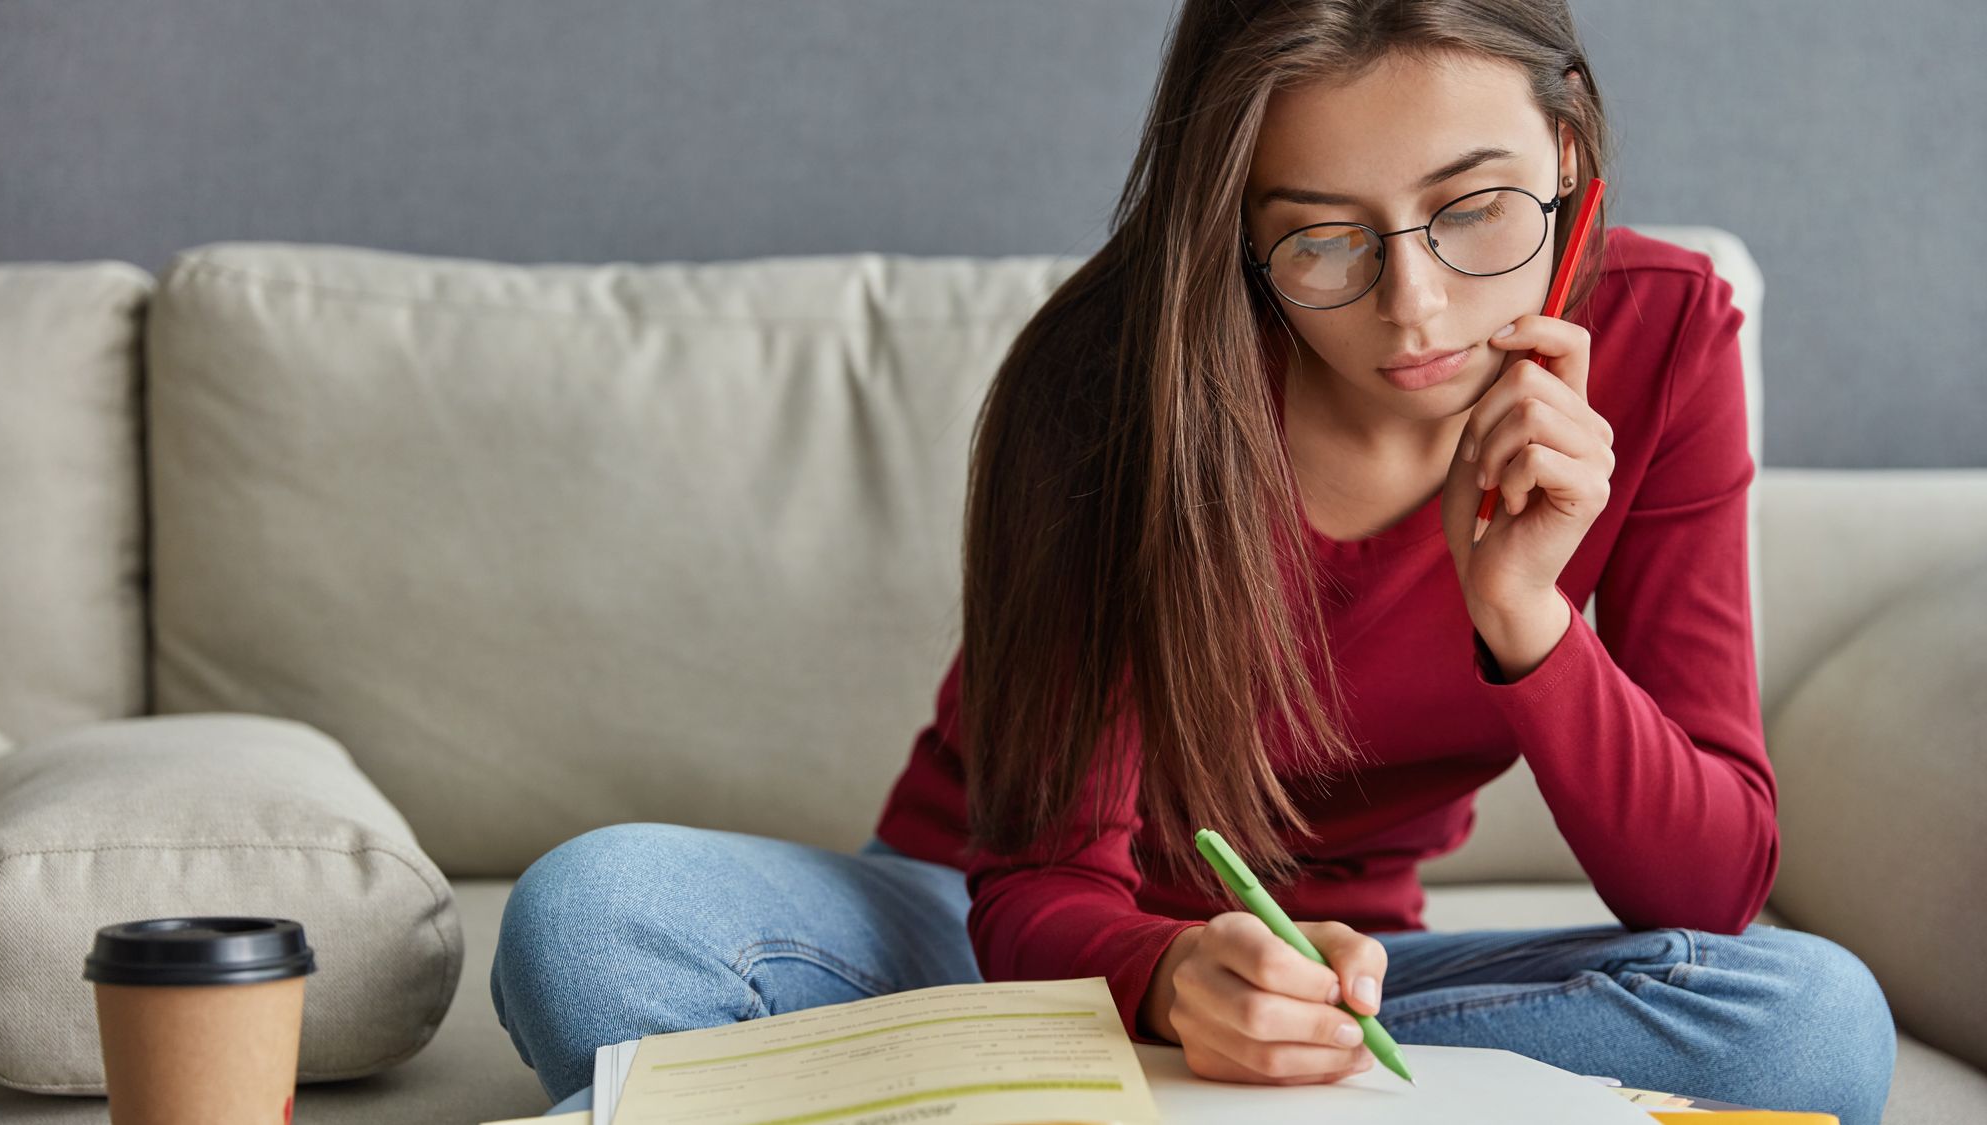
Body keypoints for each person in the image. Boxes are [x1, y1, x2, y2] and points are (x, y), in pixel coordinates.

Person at [491, 2, 1897, 1121]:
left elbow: (1707, 889)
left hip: (1352, 976)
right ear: (1236, 228)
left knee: (1811, 1020)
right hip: (993, 940)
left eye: (1476, 210)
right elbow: (1039, 880)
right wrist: (1165, 978)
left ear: (1572, 155)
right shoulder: (1108, 383)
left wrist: (1529, 615)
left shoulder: (1665, 335)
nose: (1414, 307)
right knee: (594, 920)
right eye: (1319, 240)